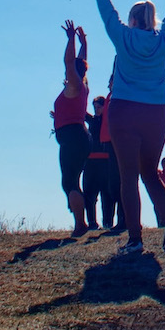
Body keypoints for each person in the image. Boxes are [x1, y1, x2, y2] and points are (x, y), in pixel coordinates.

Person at [86, 0, 165, 254]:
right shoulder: (162, 39)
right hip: (157, 114)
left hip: (125, 112)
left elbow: (106, 12)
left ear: (132, 20)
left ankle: (135, 239)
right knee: (150, 172)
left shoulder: (123, 37)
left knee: (128, 177)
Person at [52, 21, 92, 237]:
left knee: (69, 182)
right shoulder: (82, 84)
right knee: (71, 180)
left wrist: (71, 39)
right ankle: (80, 221)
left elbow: (70, 62)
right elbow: (79, 63)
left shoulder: (75, 84)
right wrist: (84, 42)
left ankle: (80, 224)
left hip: (73, 138)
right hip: (76, 137)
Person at [82, 96, 120, 231]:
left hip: (105, 162)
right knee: (89, 193)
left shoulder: (109, 121)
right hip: (90, 162)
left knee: (107, 194)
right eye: (95, 107)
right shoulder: (92, 121)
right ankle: (92, 222)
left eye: (99, 107)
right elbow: (81, 111)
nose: (97, 110)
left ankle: (108, 223)